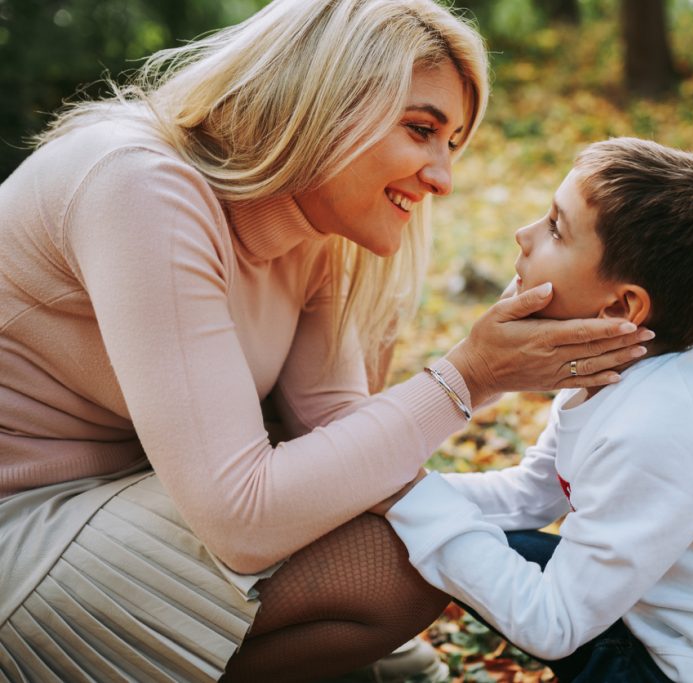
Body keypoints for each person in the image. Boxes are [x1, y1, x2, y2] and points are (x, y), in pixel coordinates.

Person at [0, 2, 652, 681]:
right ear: (326, 100)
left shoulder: (314, 234)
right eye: (421, 130)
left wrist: (491, 385)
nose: (441, 177)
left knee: (418, 536)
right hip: (25, 536)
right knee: (397, 559)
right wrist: (469, 377)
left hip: (135, 504)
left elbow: (339, 433)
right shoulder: (138, 184)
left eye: (452, 143)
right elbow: (243, 519)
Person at [374, 138, 693, 682]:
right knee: (452, 536)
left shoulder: (659, 427)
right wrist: (390, 488)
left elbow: (554, 623)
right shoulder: (608, 374)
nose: (523, 236)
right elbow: (529, 496)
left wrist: (408, 495)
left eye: (554, 228)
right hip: (652, 631)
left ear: (621, 305)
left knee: (452, 541)